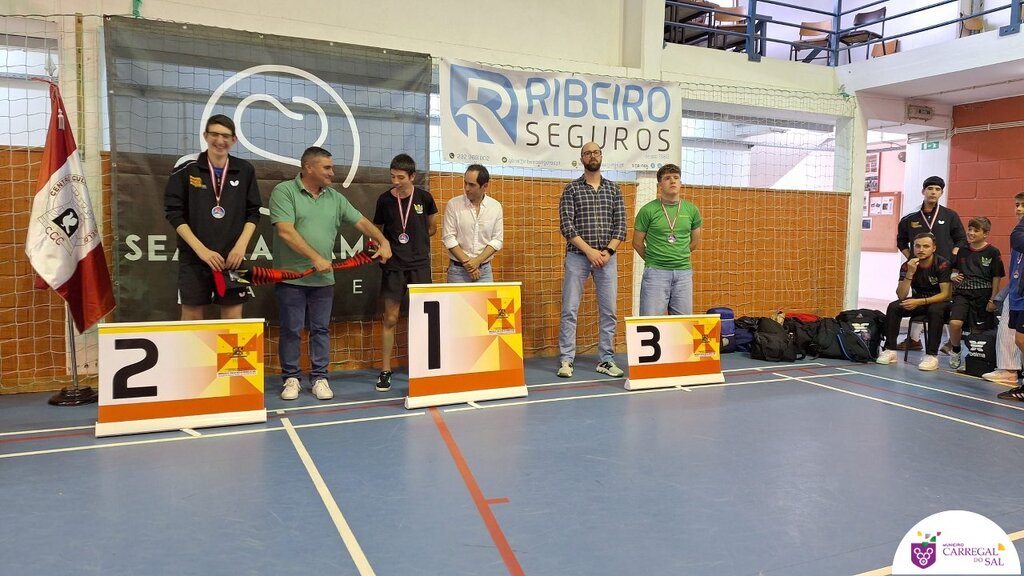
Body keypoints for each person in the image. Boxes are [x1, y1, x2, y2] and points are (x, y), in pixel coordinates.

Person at [270, 147, 392, 401]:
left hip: (323, 281)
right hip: (290, 278)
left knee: (321, 330)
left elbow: (361, 222)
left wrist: (383, 240)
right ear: (308, 168)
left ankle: (319, 378)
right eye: (326, 168)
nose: (332, 173)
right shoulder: (284, 191)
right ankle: (291, 378)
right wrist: (315, 258)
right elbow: (285, 231)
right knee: (291, 329)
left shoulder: (335, 198)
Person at [164, 114, 262, 320]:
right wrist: (202, 251)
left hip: (233, 260)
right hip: (194, 258)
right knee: (192, 318)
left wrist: (240, 248)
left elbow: (253, 212)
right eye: (215, 134)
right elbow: (173, 212)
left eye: (226, 136)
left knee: (233, 319)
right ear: (205, 136)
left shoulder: (245, 169)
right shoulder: (186, 165)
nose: (220, 140)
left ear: (234, 140)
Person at [556, 142, 627, 378]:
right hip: (578, 257)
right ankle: (566, 360)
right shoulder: (571, 189)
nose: (592, 156)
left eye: (596, 152)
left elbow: (621, 226)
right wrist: (589, 251)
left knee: (609, 311)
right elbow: (567, 226)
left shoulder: (614, 190)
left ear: (601, 156)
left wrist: (607, 252)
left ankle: (606, 359)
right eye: (587, 153)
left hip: (607, 259)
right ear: (582, 159)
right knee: (569, 309)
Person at [374, 153, 438, 392]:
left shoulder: (424, 198)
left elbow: (432, 228)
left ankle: (423, 368)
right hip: (394, 267)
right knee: (390, 318)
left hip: (419, 265)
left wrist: (415, 242)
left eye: (400, 177)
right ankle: (385, 370)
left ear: (412, 176)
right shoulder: (384, 200)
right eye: (392, 176)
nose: (395, 181)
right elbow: (377, 232)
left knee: (422, 319)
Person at [893, 175, 966, 351]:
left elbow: (961, 239)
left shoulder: (950, 215)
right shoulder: (910, 217)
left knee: (944, 302)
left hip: (943, 268)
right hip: (921, 268)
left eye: (937, 189)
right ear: (923, 191)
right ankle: (914, 339)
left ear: (941, 193)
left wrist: (952, 257)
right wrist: (911, 257)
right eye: (930, 189)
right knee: (918, 298)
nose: (933, 192)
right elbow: (901, 241)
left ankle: (951, 342)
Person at [632, 163, 702, 315]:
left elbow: (695, 242)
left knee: (683, 323)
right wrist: (655, 259)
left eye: (676, 177)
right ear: (659, 185)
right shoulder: (648, 210)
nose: (672, 181)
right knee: (651, 321)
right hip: (655, 273)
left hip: (683, 273)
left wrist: (678, 255)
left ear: (680, 183)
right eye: (667, 178)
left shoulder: (692, 210)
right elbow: (637, 243)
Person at [876, 232, 952, 371]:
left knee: (935, 310)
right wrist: (910, 273)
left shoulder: (942, 264)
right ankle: (890, 350)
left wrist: (919, 302)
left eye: (926, 246)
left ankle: (932, 356)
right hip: (919, 300)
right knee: (894, 307)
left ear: (934, 248)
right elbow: (901, 295)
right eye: (917, 246)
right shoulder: (907, 265)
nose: (921, 249)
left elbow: (946, 294)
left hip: (939, 302)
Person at [947, 216, 1003, 370]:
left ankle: (973, 359)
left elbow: (996, 277)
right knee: (955, 323)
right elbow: (954, 269)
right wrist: (953, 275)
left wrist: (993, 299)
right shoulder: (962, 250)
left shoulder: (993, 252)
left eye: (976, 230)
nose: (971, 233)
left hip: (983, 296)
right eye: (969, 229)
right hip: (962, 294)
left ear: (986, 234)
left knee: (976, 331)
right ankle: (956, 350)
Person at [983, 193, 1024, 385]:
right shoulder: (1019, 230)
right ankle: (1008, 369)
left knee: (1019, 335)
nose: (1019, 209)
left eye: (1023, 205)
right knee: (1007, 326)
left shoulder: (1019, 232)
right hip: (1016, 286)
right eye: (1017, 205)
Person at [442, 164, 504, 283]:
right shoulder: (453, 204)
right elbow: (449, 238)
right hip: (457, 271)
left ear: (485, 186)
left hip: (484, 271)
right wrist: (469, 264)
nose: (466, 188)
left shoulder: (495, 207)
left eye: (472, 185)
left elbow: (497, 240)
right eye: (465, 183)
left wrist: (477, 261)